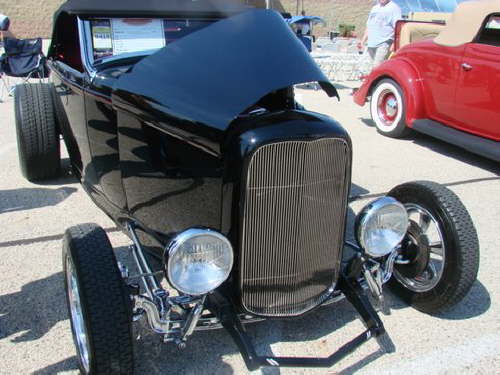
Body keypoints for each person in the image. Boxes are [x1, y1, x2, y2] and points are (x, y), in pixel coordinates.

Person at [357, 0, 402, 69]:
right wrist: (363, 41)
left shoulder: (394, 8)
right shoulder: (374, 8)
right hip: (371, 44)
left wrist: (394, 44)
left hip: (384, 43)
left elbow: (398, 27)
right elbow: (369, 26)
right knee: (371, 68)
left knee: (377, 68)